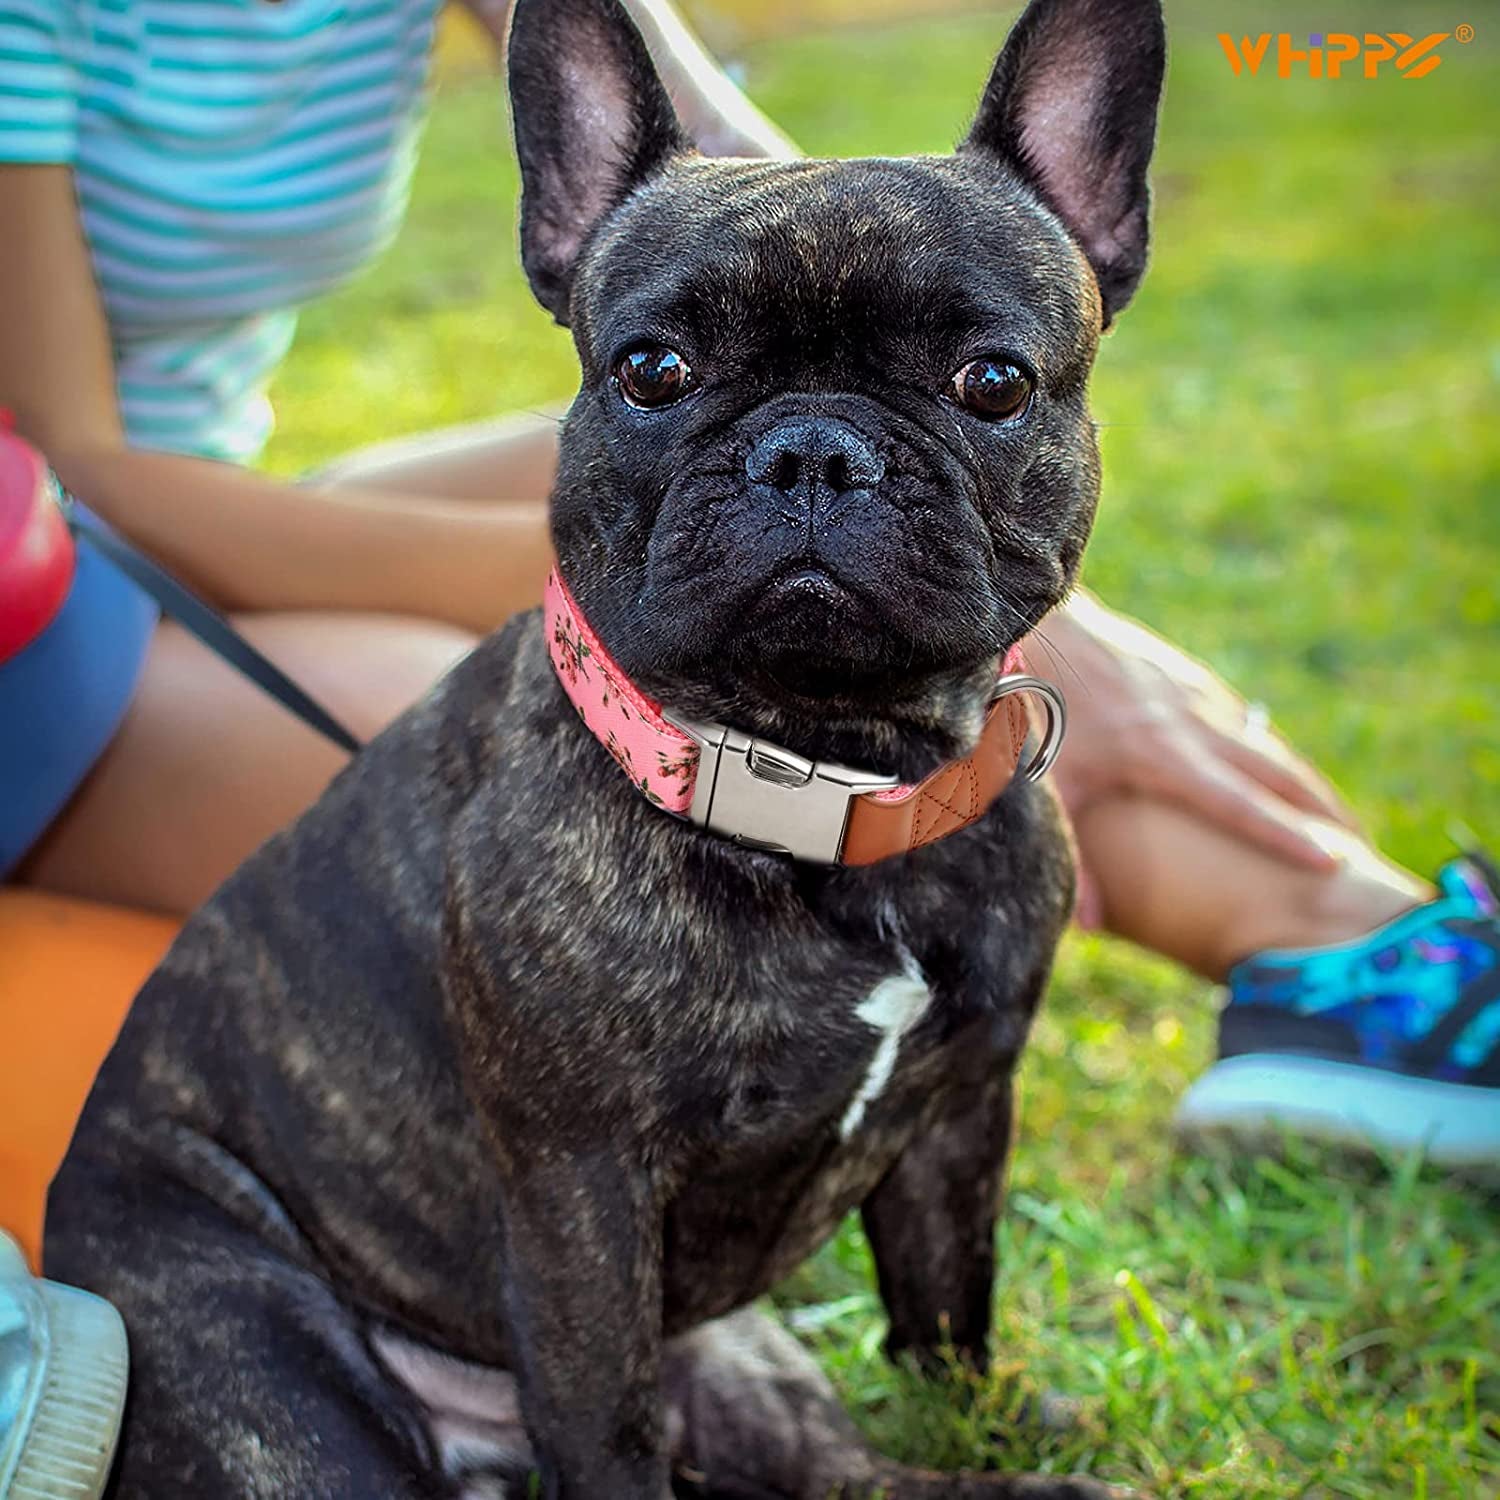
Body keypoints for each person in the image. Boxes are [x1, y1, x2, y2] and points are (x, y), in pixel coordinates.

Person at [0, 0, 1493, 1163]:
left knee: (825, 438)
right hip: (47, 581)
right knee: (598, 742)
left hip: (215, 493)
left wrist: (960, 544)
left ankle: (1363, 935)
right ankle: (1369, 972)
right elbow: (82, 467)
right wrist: (742, 558)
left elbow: (773, 215)